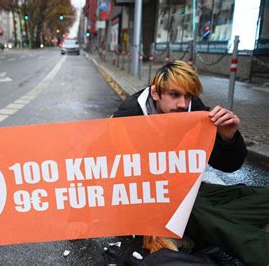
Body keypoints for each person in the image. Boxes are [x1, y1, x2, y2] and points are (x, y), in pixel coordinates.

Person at [113, 60, 269, 265]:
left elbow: (229, 165)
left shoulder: (193, 110)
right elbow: (100, 169)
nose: (182, 104)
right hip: (149, 199)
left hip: (188, 190)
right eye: (174, 94)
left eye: (188, 95)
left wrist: (228, 138)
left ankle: (198, 226)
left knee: (245, 195)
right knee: (201, 214)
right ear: (155, 93)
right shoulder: (129, 114)